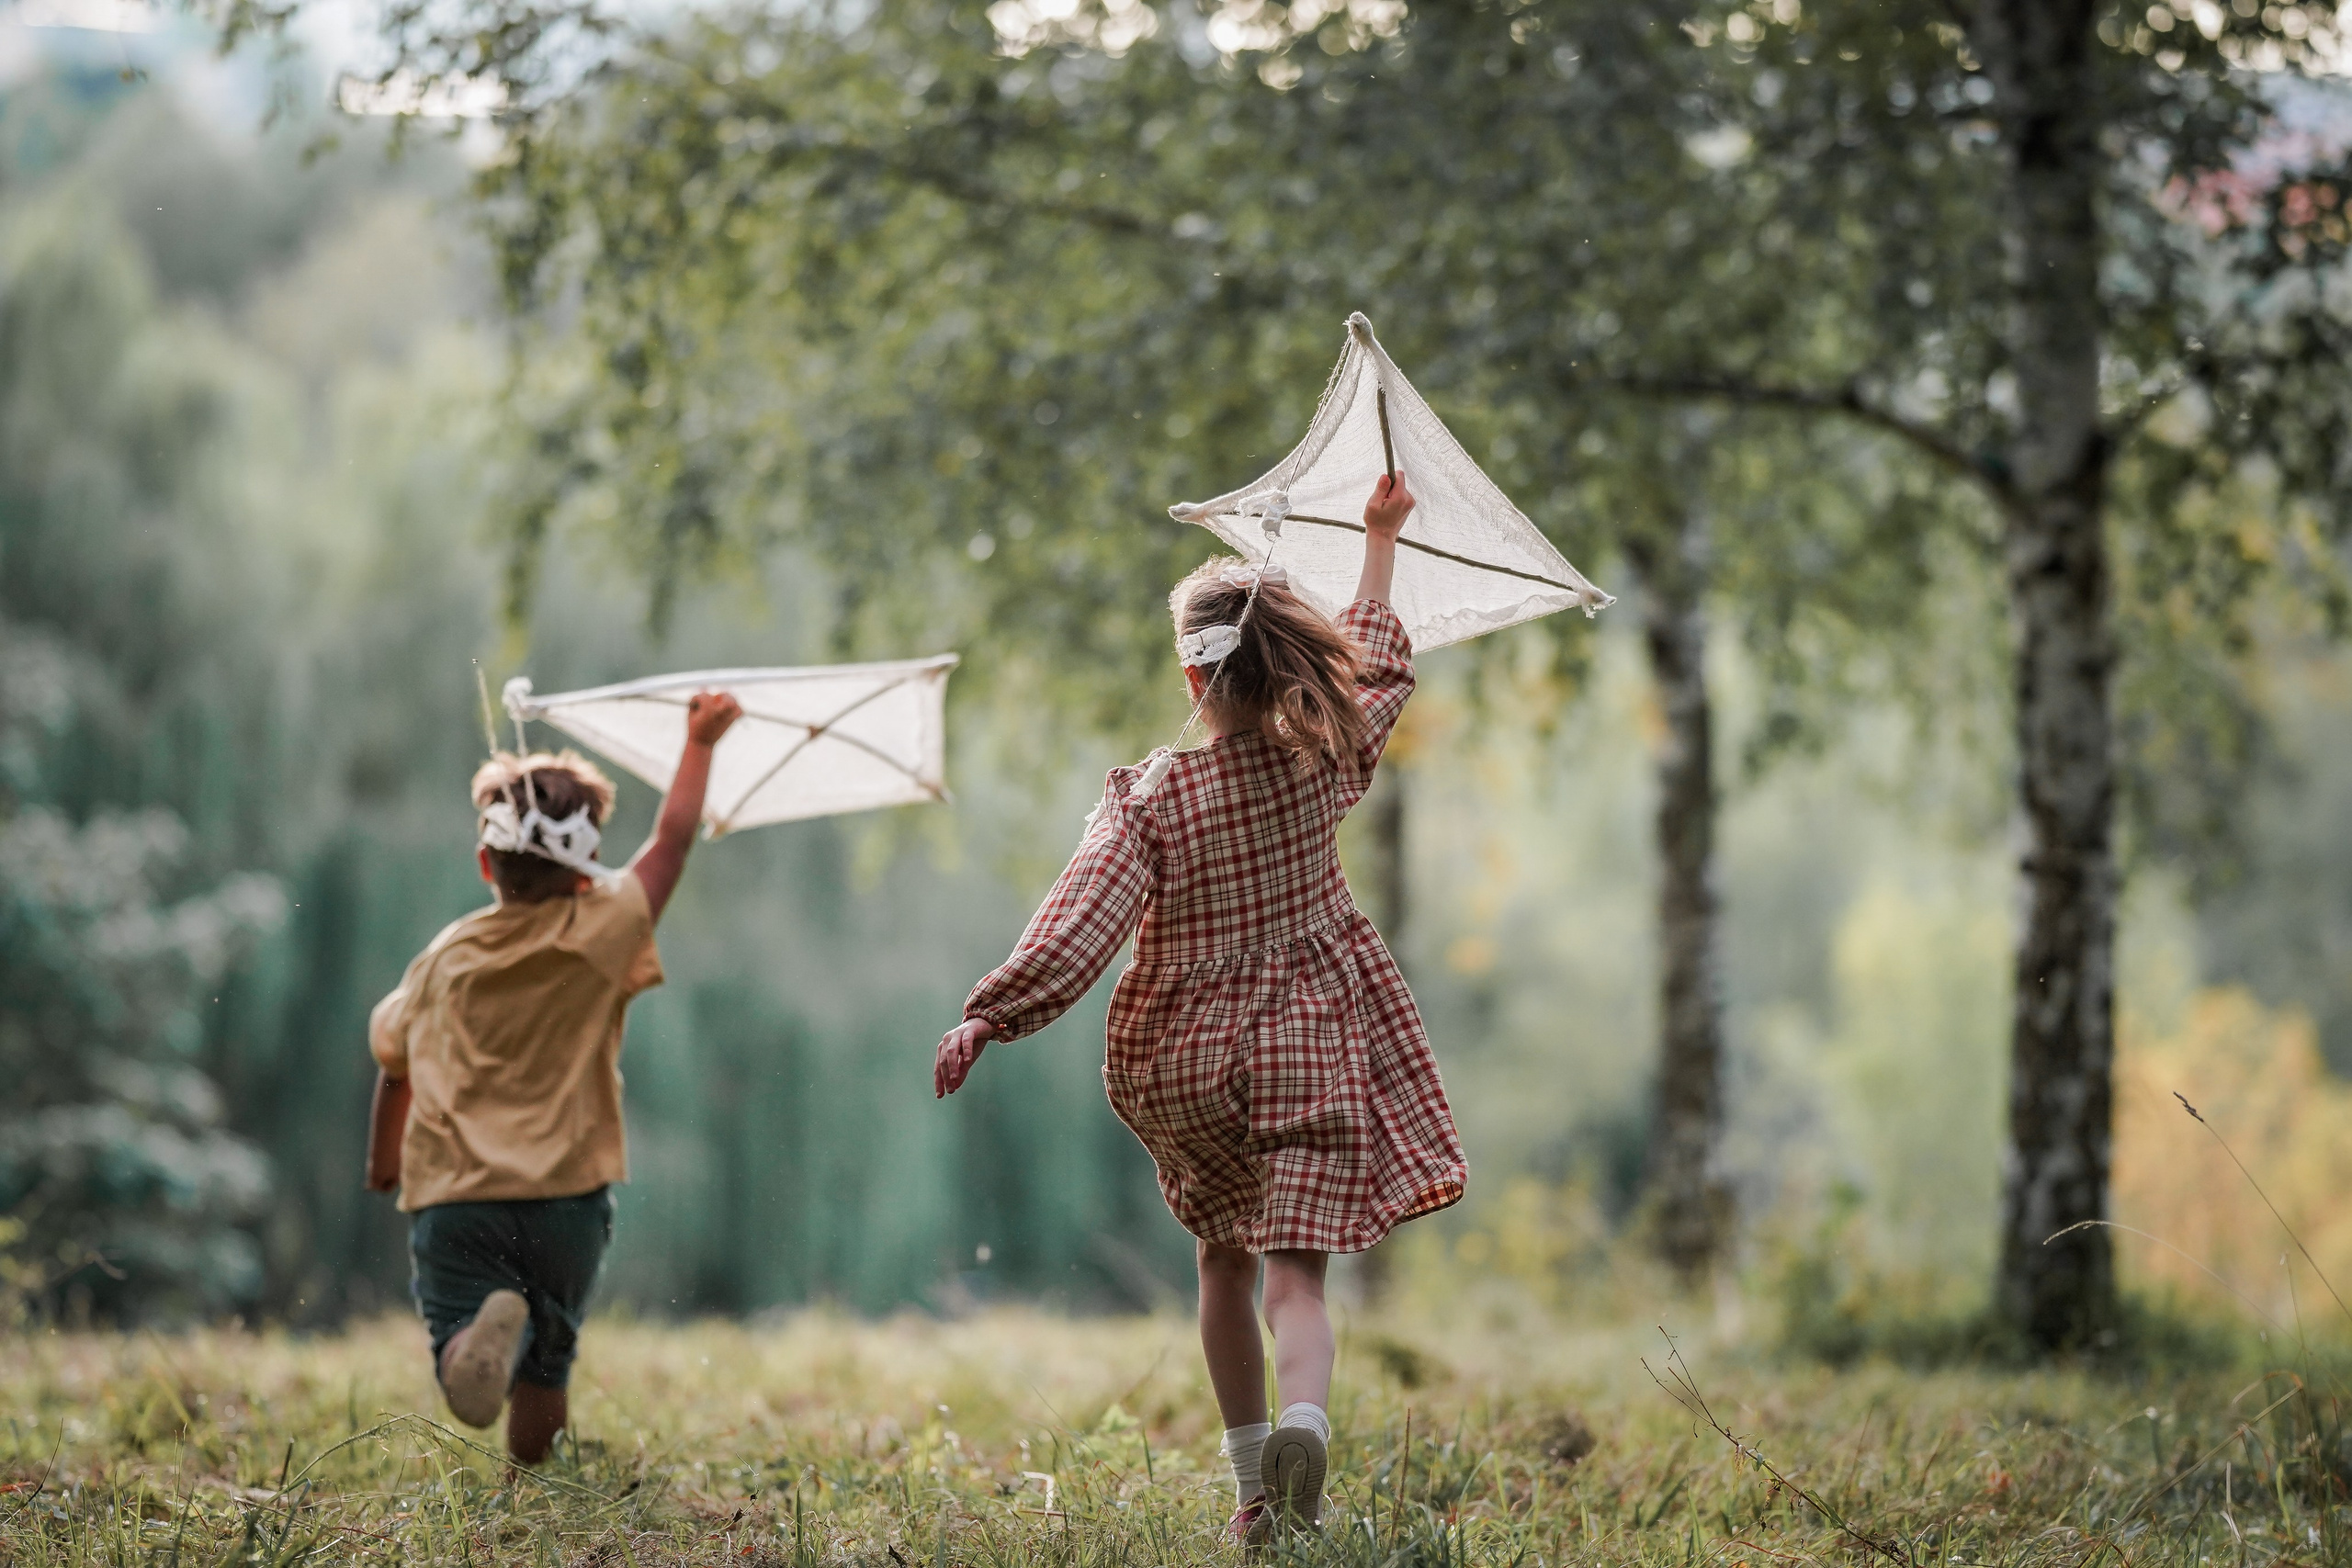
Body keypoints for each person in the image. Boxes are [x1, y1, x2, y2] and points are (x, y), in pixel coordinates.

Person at [933, 475, 1464, 1541]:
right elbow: (1382, 663)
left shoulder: (1154, 799)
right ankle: (1303, 1418)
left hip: (1189, 1058)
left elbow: (1081, 919)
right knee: (1295, 1280)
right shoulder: (1326, 754)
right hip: (1310, 1038)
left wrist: (994, 1012)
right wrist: (1376, 538)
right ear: (1289, 664)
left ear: (1191, 673)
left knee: (1220, 1254)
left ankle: (1253, 1495)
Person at [365, 692, 741, 1464]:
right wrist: (699, 742)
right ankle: (532, 1479)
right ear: (585, 872)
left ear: (484, 861)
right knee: (548, 1362)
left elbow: (393, 1066)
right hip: (566, 1199)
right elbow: (671, 843)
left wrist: (383, 1162)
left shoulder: (443, 961)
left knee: (465, 1333)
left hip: (457, 1199)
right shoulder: (601, 931)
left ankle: (471, 1340)